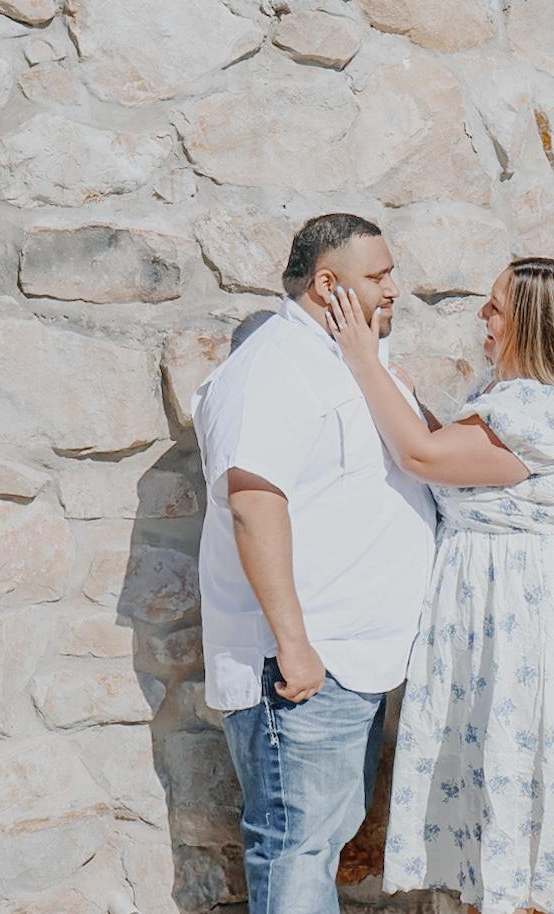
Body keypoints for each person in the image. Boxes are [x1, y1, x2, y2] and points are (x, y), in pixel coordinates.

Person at [326, 257, 554, 914]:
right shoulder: (510, 397)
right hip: (511, 624)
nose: (482, 316)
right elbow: (459, 461)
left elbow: (423, 457)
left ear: (530, 323)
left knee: (527, 802)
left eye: (495, 306)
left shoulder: (538, 408)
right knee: (505, 802)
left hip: (532, 630)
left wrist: (363, 361)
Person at [190, 214, 437, 912]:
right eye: (377, 276)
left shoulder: (350, 361)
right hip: (303, 670)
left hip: (351, 664)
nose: (393, 289)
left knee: (318, 845)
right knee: (294, 848)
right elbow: (253, 503)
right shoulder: (273, 368)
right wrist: (294, 646)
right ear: (328, 284)